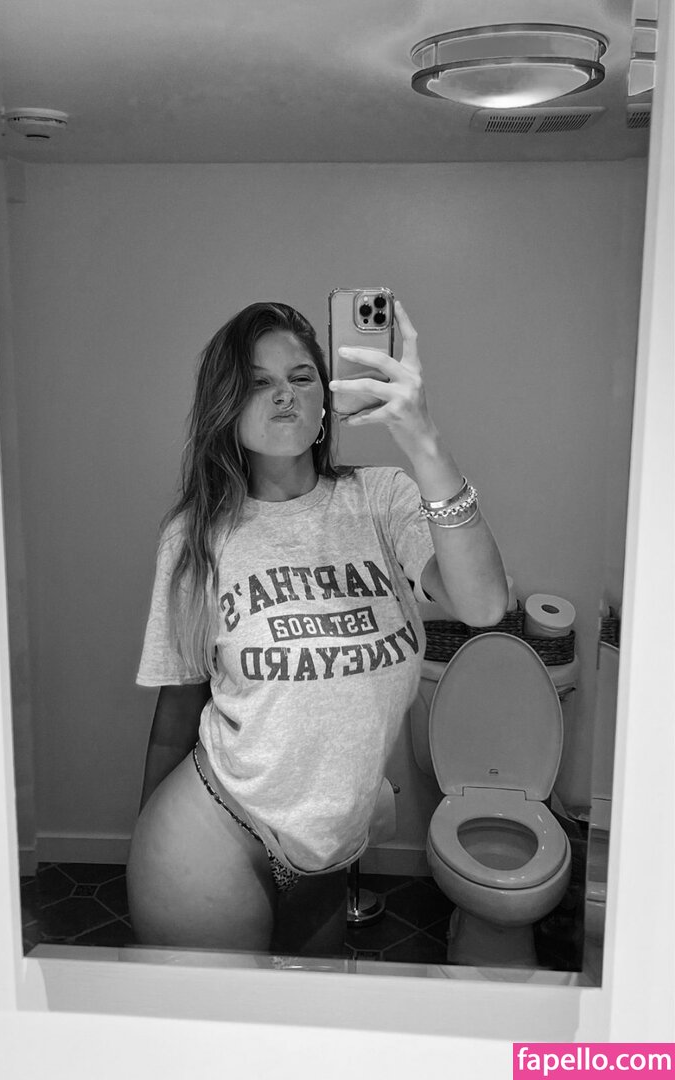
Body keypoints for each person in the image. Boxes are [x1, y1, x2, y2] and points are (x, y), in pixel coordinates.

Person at [126, 298, 508, 956]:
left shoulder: (382, 499)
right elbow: (178, 707)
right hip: (213, 836)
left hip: (329, 853)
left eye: (301, 377)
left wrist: (422, 437)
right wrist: (142, 841)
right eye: (257, 382)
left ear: (326, 400)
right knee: (233, 1026)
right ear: (226, 404)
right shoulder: (195, 537)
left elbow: (484, 605)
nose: (284, 394)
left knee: (312, 1016)